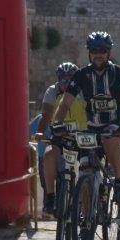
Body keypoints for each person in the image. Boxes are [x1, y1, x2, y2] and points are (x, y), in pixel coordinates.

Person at [55, 31, 120, 207]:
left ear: (109, 52)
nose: (98, 54)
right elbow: (65, 103)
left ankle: (119, 180)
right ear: (89, 52)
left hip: (115, 125)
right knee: (85, 170)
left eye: (102, 50)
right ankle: (86, 219)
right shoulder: (81, 75)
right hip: (91, 127)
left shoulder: (119, 73)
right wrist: (57, 124)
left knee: (109, 137)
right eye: (94, 50)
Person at [36, 62, 86, 216]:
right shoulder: (52, 91)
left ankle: (87, 208)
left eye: (69, 79)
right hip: (61, 136)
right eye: (62, 79)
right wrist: (40, 133)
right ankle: (50, 197)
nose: (66, 82)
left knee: (89, 169)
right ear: (58, 79)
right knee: (48, 157)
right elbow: (46, 114)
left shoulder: (83, 90)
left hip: (82, 136)